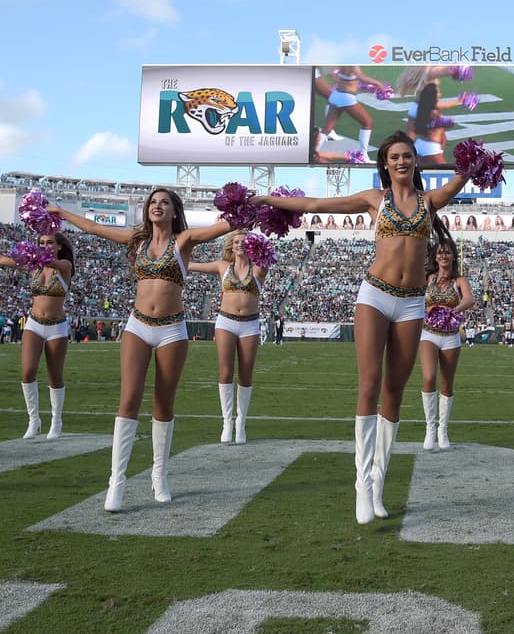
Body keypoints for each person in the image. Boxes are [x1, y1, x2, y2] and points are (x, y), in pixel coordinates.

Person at [254, 131, 467, 524]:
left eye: (407, 156)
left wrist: (475, 165)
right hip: (374, 295)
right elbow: (315, 203)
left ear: (416, 162)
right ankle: (361, 487)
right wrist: (267, 199)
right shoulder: (375, 200)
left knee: (394, 392)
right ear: (384, 165)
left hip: (411, 303)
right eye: (394, 157)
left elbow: (460, 177)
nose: (401, 162)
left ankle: (378, 483)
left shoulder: (429, 202)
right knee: (369, 383)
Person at [50, 191, 230, 511]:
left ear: (175, 211)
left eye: (164, 202)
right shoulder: (137, 239)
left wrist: (251, 209)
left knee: (163, 403)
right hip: (137, 325)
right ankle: (116, 482)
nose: (156, 206)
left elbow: (223, 227)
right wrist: (60, 212)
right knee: (129, 399)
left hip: (172, 329)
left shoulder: (184, 239)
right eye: (152, 202)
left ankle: (159, 475)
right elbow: (93, 228)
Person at [0, 232, 76, 440]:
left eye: (50, 243)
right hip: (34, 323)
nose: (45, 246)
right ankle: (34, 419)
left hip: (57, 327)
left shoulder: (65, 265)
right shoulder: (33, 267)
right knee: (27, 372)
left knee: (54, 376)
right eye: (41, 243)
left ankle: (56, 420)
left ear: (58, 246)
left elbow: (54, 264)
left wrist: (36, 256)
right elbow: (3, 260)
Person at [189, 230, 271, 444]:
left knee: (245, 375)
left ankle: (241, 422)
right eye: (235, 242)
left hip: (250, 324)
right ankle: (227, 422)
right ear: (230, 245)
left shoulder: (259, 268)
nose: (239, 245)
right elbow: (191, 266)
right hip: (225, 322)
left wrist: (259, 241)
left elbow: (268, 255)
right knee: (225, 372)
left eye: (244, 242)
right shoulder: (222, 267)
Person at [418, 237, 474, 451]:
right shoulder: (429, 278)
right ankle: (430, 428)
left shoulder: (459, 281)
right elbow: (416, 298)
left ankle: (443, 430)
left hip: (450, 336)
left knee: (446, 384)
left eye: (447, 252)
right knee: (428, 376)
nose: (443, 255)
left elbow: (468, 299)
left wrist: (453, 310)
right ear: (435, 256)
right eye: (440, 252)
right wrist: (427, 311)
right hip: (428, 334)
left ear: (453, 256)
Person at [317, 65, 382, 156]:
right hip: (346, 98)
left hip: (336, 95)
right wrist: (378, 84)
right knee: (367, 122)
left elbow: (335, 74)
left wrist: (350, 83)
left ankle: (313, 153)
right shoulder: (353, 63)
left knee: (326, 130)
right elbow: (360, 76)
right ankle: (363, 155)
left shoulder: (342, 62)